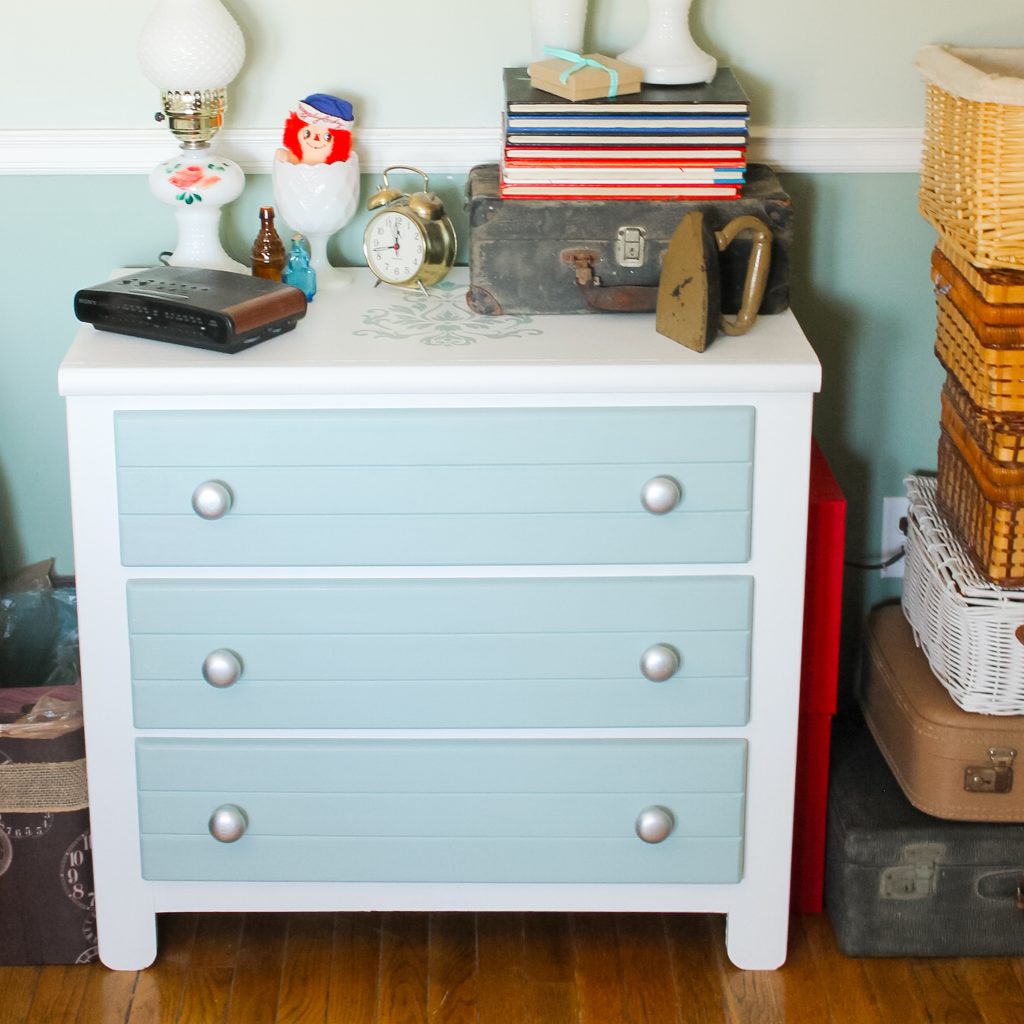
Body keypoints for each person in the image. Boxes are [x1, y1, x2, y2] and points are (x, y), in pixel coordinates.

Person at [276, 93, 354, 165]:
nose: (316, 139)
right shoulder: (297, 156)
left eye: (327, 137)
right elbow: (288, 157)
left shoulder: (337, 165)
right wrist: (287, 157)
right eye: (307, 134)